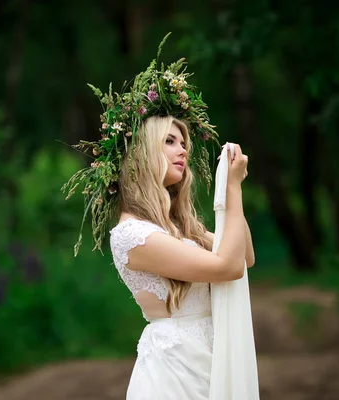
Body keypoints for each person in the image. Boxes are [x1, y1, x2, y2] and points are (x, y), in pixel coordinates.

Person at [62, 34, 255, 399]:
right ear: (143, 153)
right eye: (169, 141)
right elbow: (227, 267)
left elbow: (244, 256)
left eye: (183, 143)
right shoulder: (134, 235)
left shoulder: (179, 228)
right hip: (176, 376)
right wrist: (232, 190)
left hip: (211, 362)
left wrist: (231, 190)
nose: (182, 150)